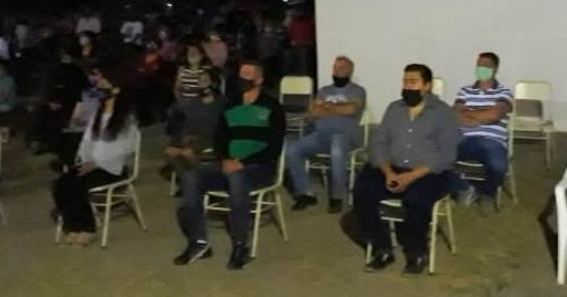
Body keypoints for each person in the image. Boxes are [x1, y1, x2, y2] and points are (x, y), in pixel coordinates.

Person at [173, 60, 285, 269]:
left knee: (236, 178)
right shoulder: (230, 106)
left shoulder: (272, 107)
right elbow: (220, 139)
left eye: (247, 76)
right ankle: (198, 242)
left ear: (258, 80)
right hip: (227, 164)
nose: (241, 80)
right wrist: (225, 159)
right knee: (190, 177)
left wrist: (242, 162)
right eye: (240, 75)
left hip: (257, 168)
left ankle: (241, 245)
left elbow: (274, 147)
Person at [354, 64, 461, 274]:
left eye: (413, 82)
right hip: (392, 168)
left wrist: (412, 176)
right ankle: (381, 248)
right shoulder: (394, 109)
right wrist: (388, 172)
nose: (407, 86)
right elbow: (378, 143)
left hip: (427, 172)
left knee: (416, 199)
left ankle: (416, 252)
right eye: (404, 82)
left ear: (426, 86)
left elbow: (447, 154)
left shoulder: (442, 113)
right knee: (362, 191)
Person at [52, 65, 137, 246]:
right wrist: (84, 160)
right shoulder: (98, 115)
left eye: (104, 85)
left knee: (76, 185)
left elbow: (126, 148)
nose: (100, 89)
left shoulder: (125, 118)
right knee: (62, 183)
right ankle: (73, 226)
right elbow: (87, 141)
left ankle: (87, 227)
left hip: (111, 168)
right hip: (91, 165)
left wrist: (98, 163)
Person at [287, 56, 366, 214]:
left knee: (337, 150)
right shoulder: (324, 90)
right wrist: (336, 107)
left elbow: (351, 110)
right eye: (335, 68)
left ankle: (336, 197)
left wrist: (326, 107)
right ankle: (306, 193)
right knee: (292, 149)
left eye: (341, 68)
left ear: (350, 71)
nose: (337, 71)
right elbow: (312, 114)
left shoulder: (357, 90)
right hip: (321, 134)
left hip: (345, 135)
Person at [450, 52, 514, 213]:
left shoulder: (504, 92)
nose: (481, 68)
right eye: (479, 65)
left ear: (495, 69)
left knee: (498, 166)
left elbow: (495, 114)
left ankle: (486, 193)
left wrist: (470, 113)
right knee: (437, 155)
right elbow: (454, 115)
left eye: (486, 65)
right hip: (463, 139)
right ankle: (464, 187)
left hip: (491, 141)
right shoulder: (465, 91)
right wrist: (483, 116)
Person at [164, 68, 225, 175]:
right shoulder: (191, 103)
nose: (201, 85)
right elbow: (182, 124)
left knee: (188, 154)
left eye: (205, 81)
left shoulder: (221, 104)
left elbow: (215, 128)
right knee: (171, 152)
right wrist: (179, 141)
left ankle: (200, 179)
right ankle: (186, 182)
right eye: (200, 82)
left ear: (214, 84)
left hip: (210, 141)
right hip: (190, 139)